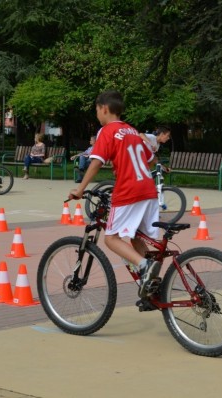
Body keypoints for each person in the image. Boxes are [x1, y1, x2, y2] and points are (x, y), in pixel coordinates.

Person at [69, 90, 160, 298]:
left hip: (128, 191)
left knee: (111, 239)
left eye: (96, 111)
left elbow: (96, 162)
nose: (96, 115)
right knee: (136, 236)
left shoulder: (107, 131)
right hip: (148, 190)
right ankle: (152, 282)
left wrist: (80, 189)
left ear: (104, 109)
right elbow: (150, 159)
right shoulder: (132, 131)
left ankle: (145, 265)